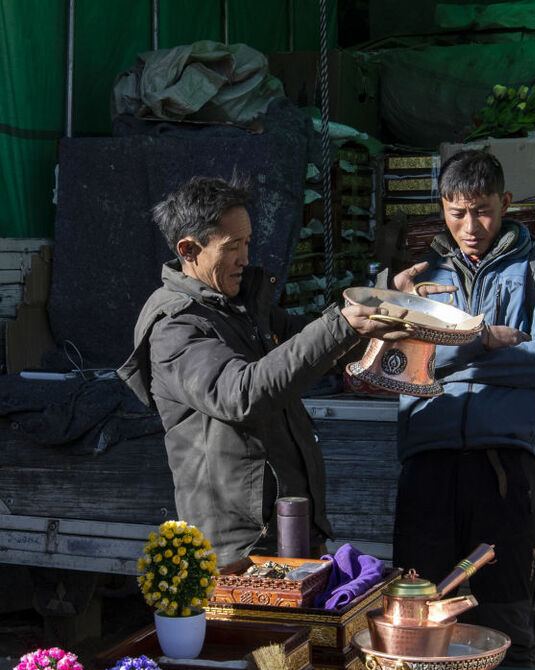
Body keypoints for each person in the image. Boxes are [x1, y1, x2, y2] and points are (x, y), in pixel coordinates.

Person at [118, 175, 409, 564]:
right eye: (232, 246)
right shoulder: (176, 327)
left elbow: (310, 340)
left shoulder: (241, 307)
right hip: (239, 551)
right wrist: (341, 326)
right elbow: (241, 393)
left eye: (248, 243)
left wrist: (385, 298)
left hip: (290, 529)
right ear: (188, 249)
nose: (244, 258)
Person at [391, 150, 535, 670]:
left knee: (504, 612)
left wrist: (446, 350)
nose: (471, 227)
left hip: (506, 464)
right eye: (457, 212)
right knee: (420, 611)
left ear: (506, 203)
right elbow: (407, 364)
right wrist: (483, 339)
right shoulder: (418, 277)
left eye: (484, 211)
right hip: (429, 458)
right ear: (443, 208)